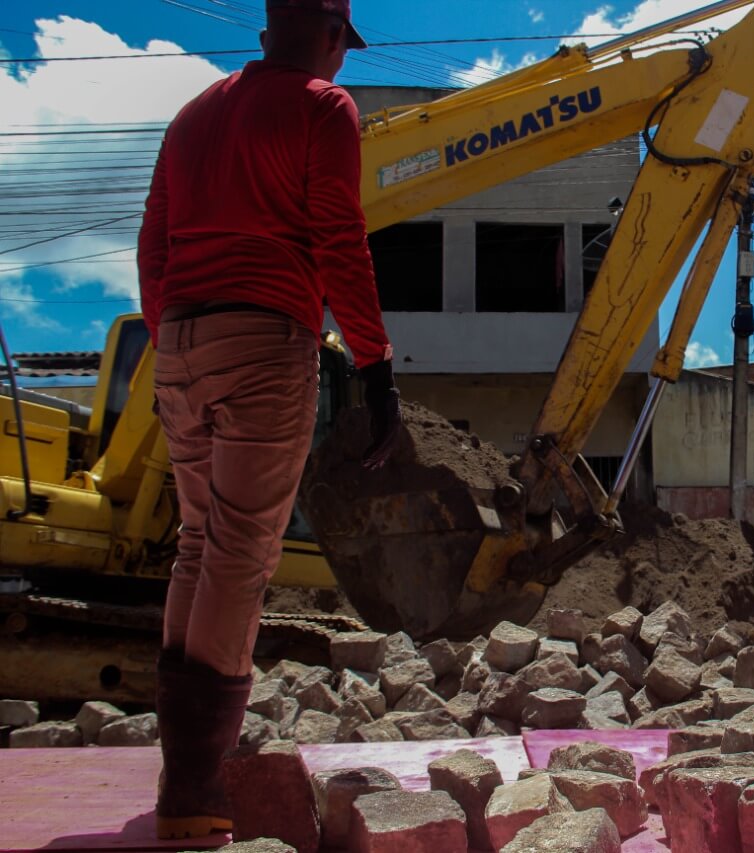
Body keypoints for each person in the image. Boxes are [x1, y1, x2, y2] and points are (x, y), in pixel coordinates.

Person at [137, 0, 399, 838]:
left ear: (263, 34)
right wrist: (374, 363)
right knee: (243, 549)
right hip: (264, 334)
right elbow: (338, 236)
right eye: (344, 47)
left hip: (179, 340)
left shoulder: (191, 116)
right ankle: (196, 788)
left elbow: (152, 243)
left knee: (196, 541)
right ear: (331, 36)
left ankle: (184, 772)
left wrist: (173, 332)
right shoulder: (325, 107)